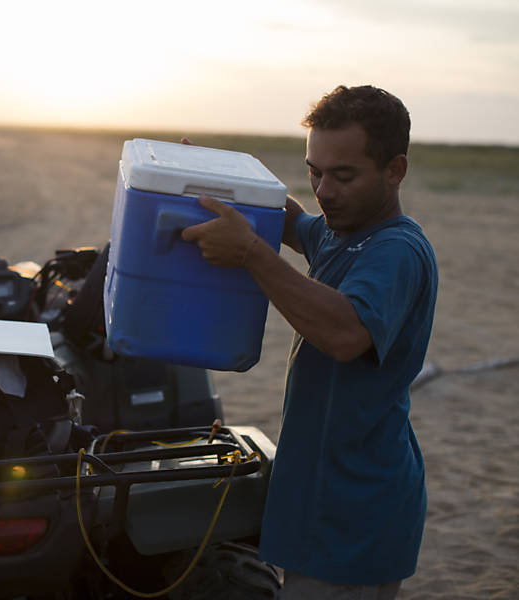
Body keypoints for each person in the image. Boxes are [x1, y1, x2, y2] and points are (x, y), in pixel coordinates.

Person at [182, 85, 438, 598]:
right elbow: (291, 217)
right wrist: (219, 179)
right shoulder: (340, 233)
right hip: (320, 497)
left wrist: (252, 253)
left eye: (343, 175)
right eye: (314, 171)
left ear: (395, 170)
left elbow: (345, 333)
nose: (324, 190)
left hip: (358, 508)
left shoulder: (396, 251)